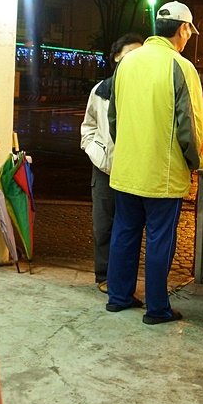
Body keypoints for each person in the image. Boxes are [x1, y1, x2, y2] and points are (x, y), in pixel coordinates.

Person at [106, 1, 203, 325]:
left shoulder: (127, 63)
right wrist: (194, 162)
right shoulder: (180, 66)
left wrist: (128, 150)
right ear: (183, 30)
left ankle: (118, 297)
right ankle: (157, 308)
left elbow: (113, 118)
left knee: (124, 232)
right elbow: (190, 126)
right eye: (189, 31)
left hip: (127, 168)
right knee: (161, 238)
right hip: (162, 172)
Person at [80, 33, 144, 294]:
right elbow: (88, 126)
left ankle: (123, 279)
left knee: (129, 228)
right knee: (104, 225)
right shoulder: (101, 90)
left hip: (135, 169)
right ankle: (104, 276)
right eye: (129, 54)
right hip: (105, 169)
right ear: (116, 57)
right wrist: (98, 153)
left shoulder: (145, 91)